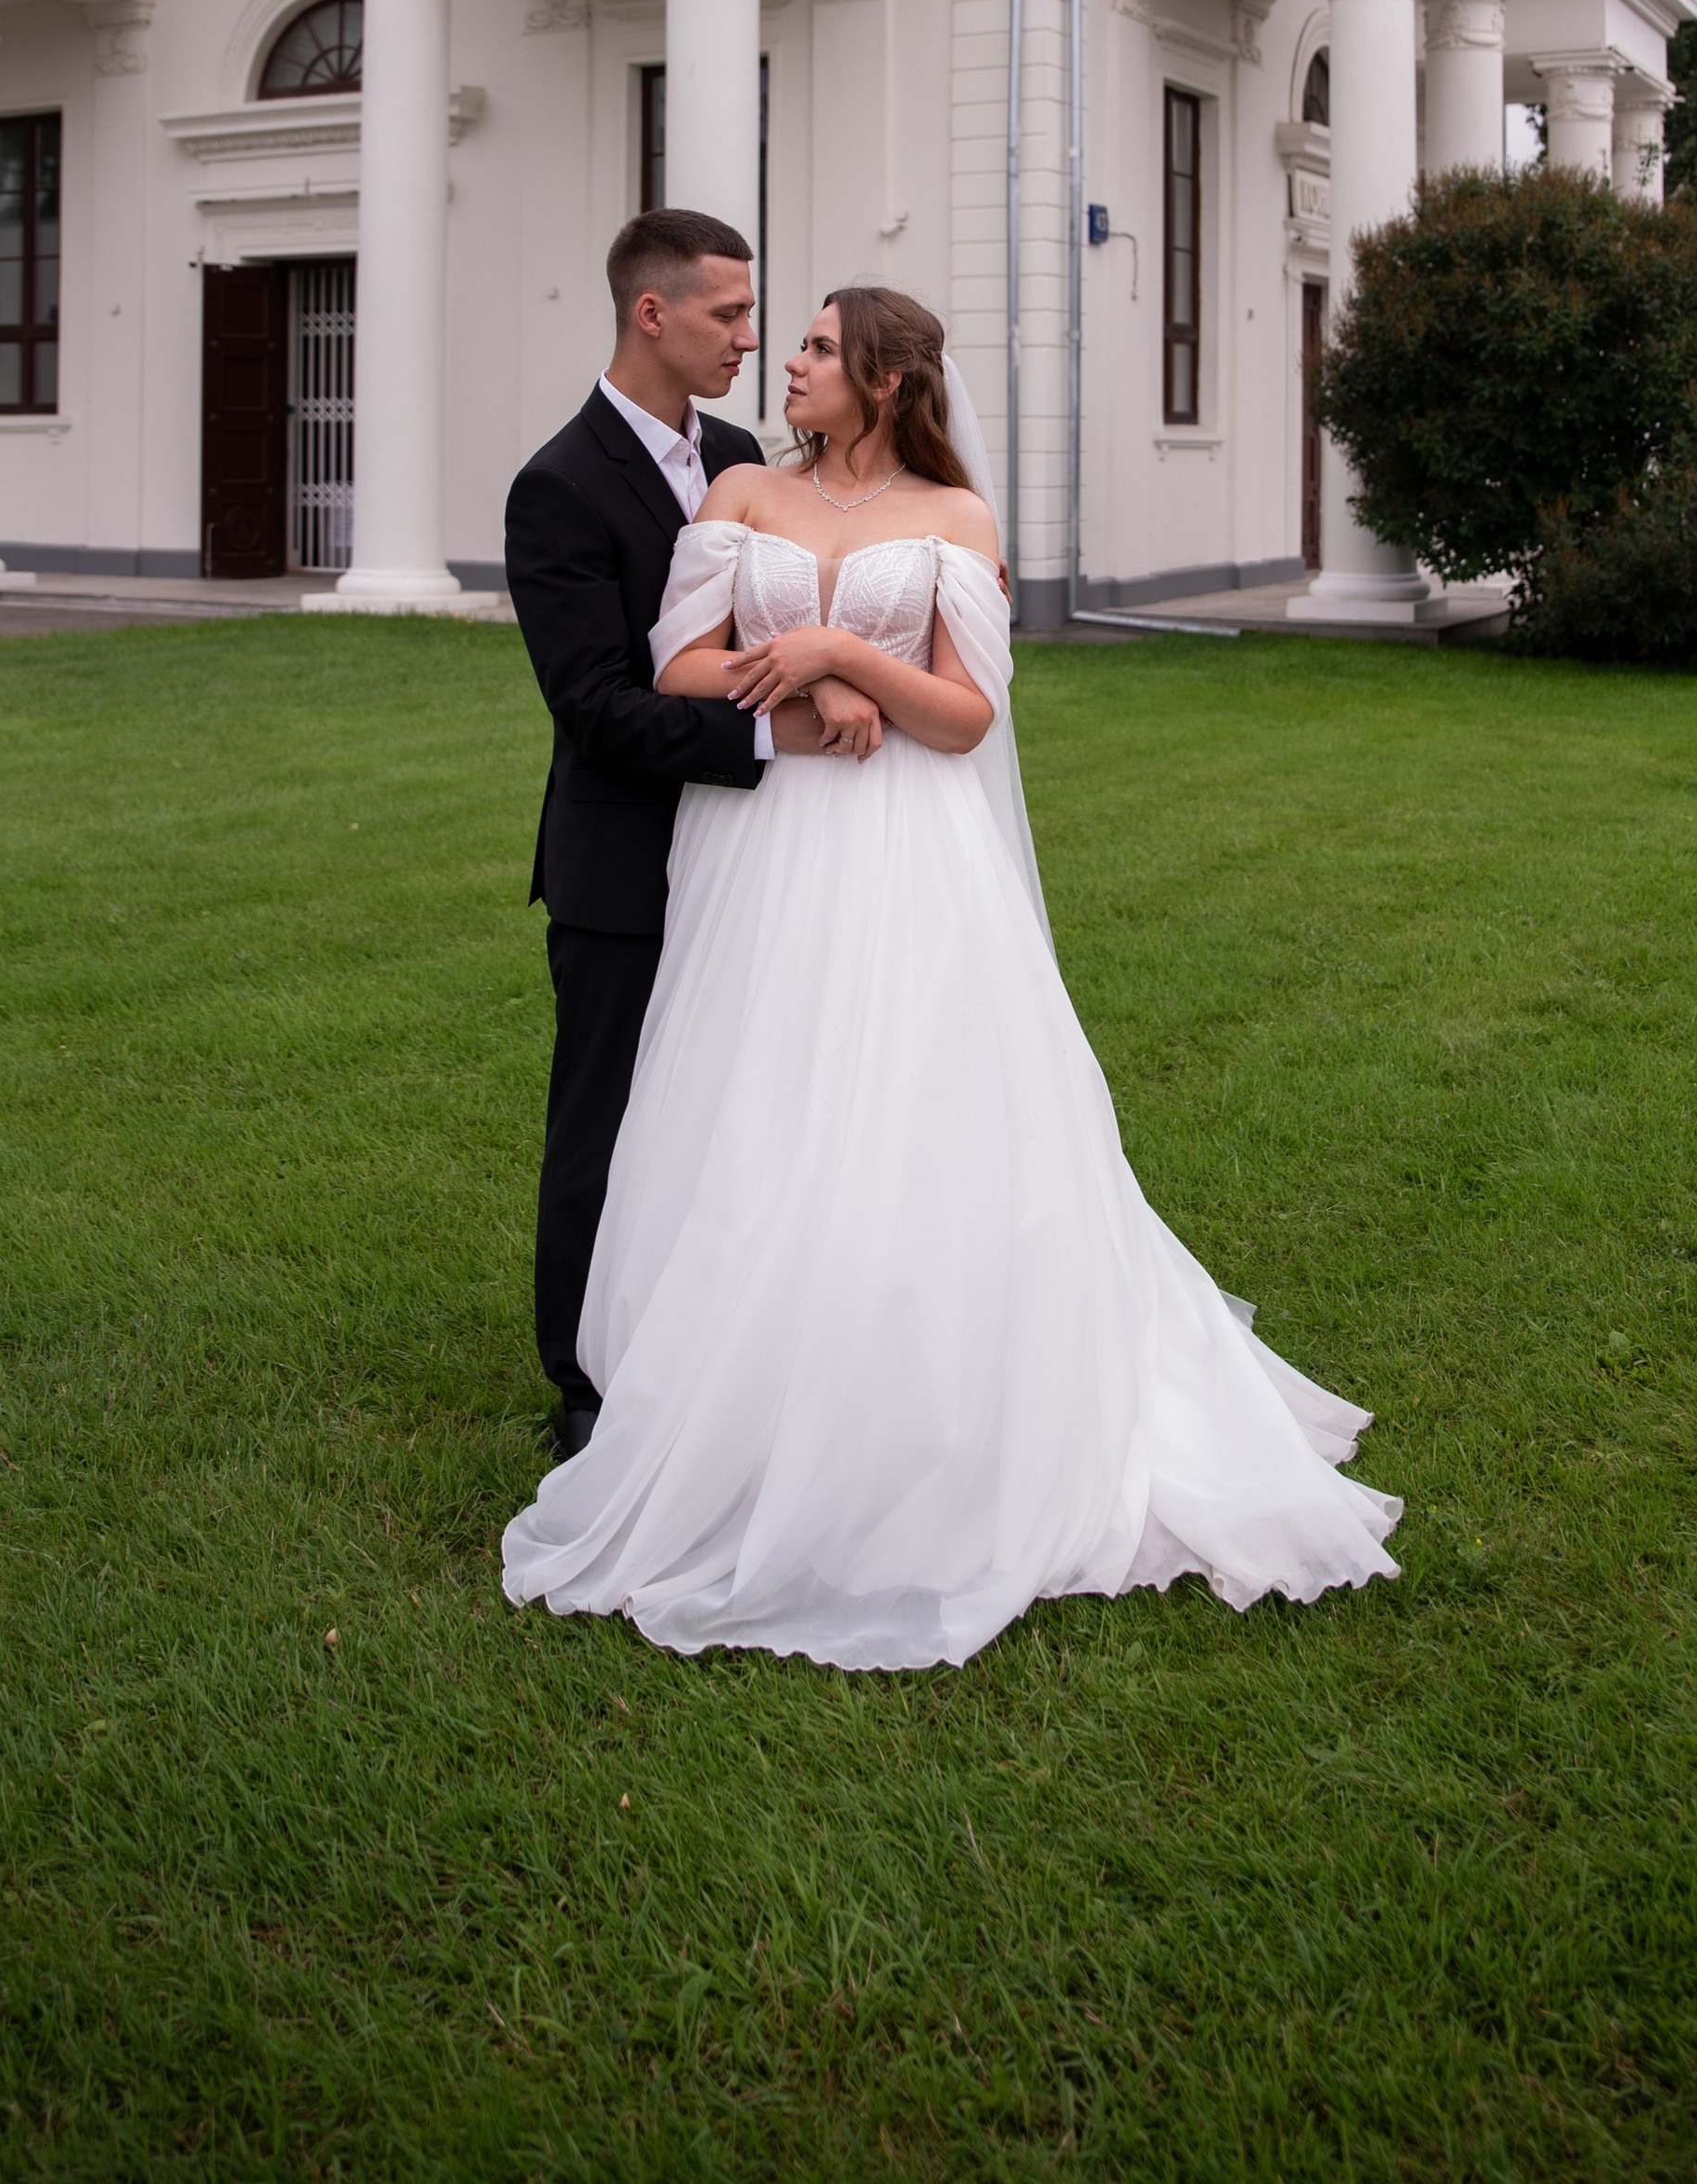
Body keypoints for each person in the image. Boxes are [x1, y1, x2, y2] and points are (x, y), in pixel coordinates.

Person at [503, 283, 1401, 1670]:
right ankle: (730, 1396)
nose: (783, 364)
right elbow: (675, 664)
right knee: (752, 1110)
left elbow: (968, 719)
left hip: (907, 852)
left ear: (882, 377)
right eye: (783, 340)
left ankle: (914, 1402)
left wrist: (848, 650)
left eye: (812, 347)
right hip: (759, 845)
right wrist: (806, 697)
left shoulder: (956, 520)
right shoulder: (740, 491)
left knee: (910, 1109)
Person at [504, 211, 881, 1468]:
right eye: (727, 314)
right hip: (623, 861)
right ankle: (583, 1379)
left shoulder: (735, 453)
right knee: (602, 1119)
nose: (750, 336)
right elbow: (598, 705)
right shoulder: (556, 487)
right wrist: (780, 736)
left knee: (727, 1108)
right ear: (650, 314)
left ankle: (708, 1340)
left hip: (755, 860)